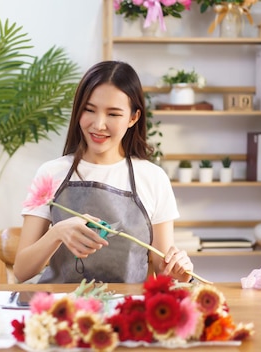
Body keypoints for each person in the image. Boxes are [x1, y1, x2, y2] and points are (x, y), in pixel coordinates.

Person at [13, 60, 194, 284]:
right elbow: (21, 271)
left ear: (133, 118)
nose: (98, 124)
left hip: (125, 312)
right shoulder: (50, 173)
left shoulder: (153, 178)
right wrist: (57, 233)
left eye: (113, 114)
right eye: (89, 110)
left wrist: (178, 270)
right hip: (61, 311)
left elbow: (162, 266)